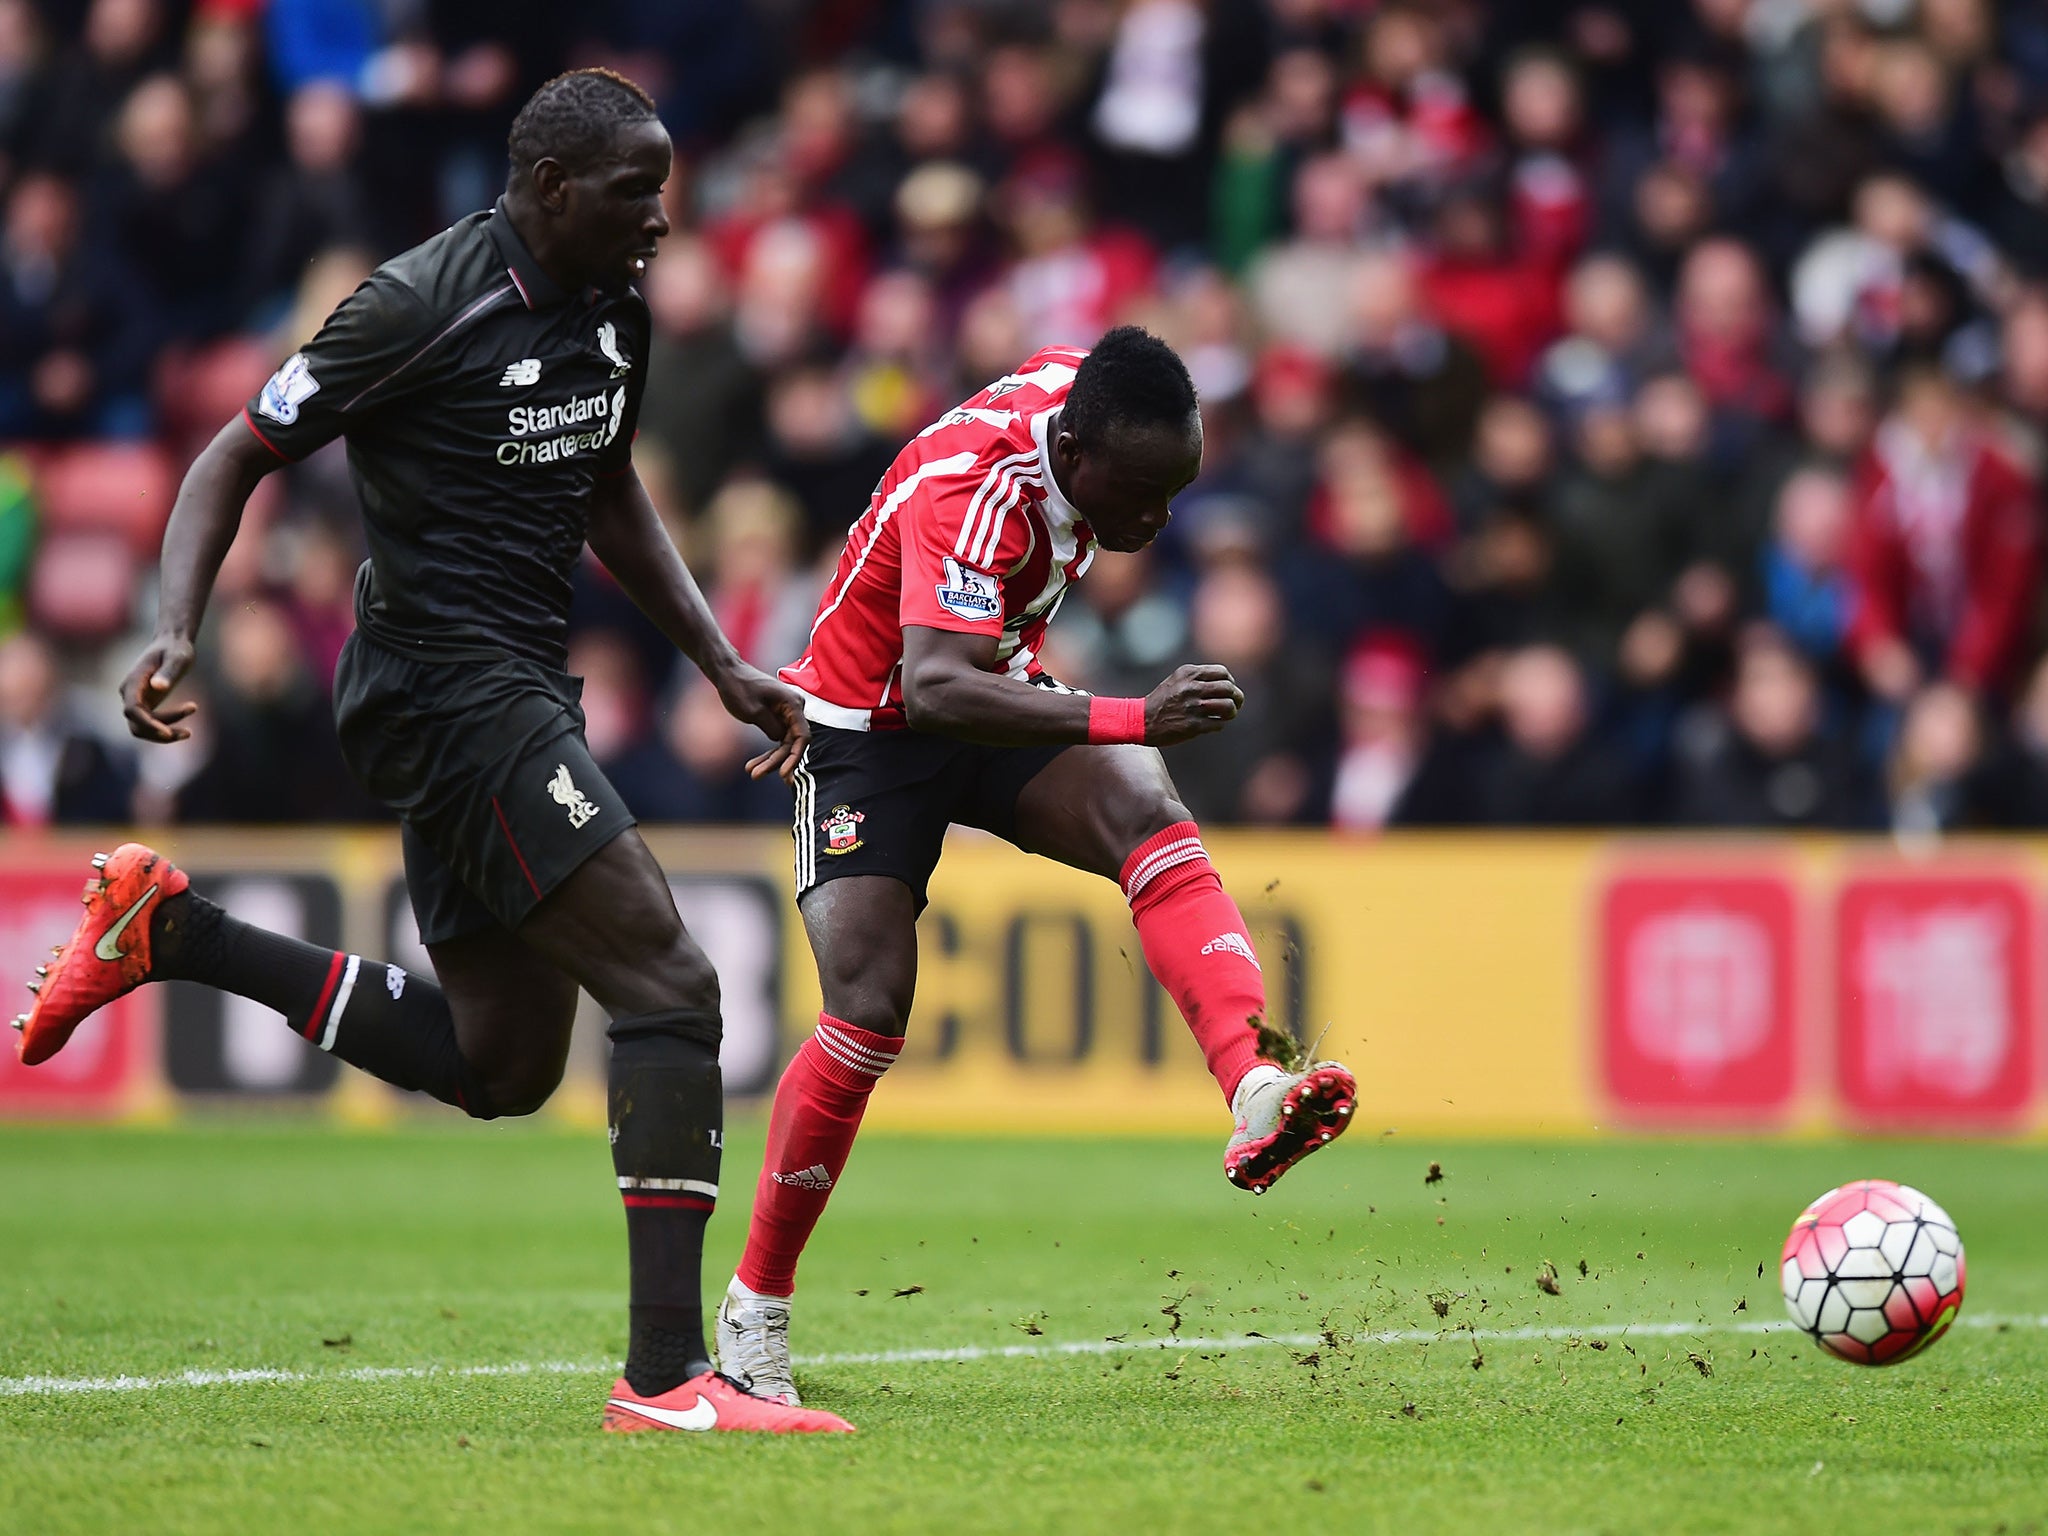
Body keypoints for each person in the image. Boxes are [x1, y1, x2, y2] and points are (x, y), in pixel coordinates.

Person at [11, 68, 848, 1437]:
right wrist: (173, 634)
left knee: (500, 1066)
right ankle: (665, 1381)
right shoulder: (417, 301)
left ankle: (173, 935)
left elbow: (609, 487)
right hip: (441, 689)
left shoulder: (614, 310)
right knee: (673, 981)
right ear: (552, 189)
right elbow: (231, 454)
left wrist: (721, 663)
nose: (663, 214)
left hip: (511, 687)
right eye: (638, 191)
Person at [713, 327, 1359, 1405]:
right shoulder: (975, 490)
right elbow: (930, 690)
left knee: (1147, 815)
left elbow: (973, 668)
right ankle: (752, 1315)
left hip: (988, 683)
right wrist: (1129, 712)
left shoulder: (1087, 395)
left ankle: (1253, 1086)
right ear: (1078, 454)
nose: (1156, 522)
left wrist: (1111, 729)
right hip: (870, 727)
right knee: (870, 1007)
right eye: (1145, 497)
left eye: (1176, 489)